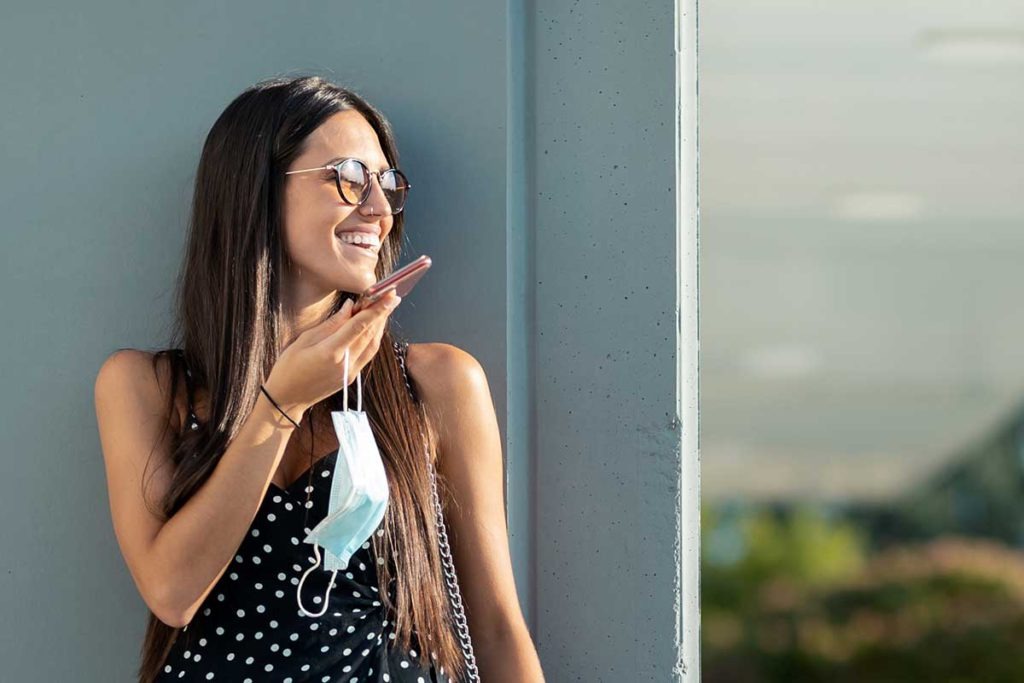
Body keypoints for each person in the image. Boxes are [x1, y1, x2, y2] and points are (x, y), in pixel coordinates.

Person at [94, 75, 544, 682]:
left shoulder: (436, 383)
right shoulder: (147, 387)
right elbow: (173, 593)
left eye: (387, 185)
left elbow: (494, 625)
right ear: (257, 190)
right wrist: (280, 403)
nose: (380, 210)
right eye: (350, 178)